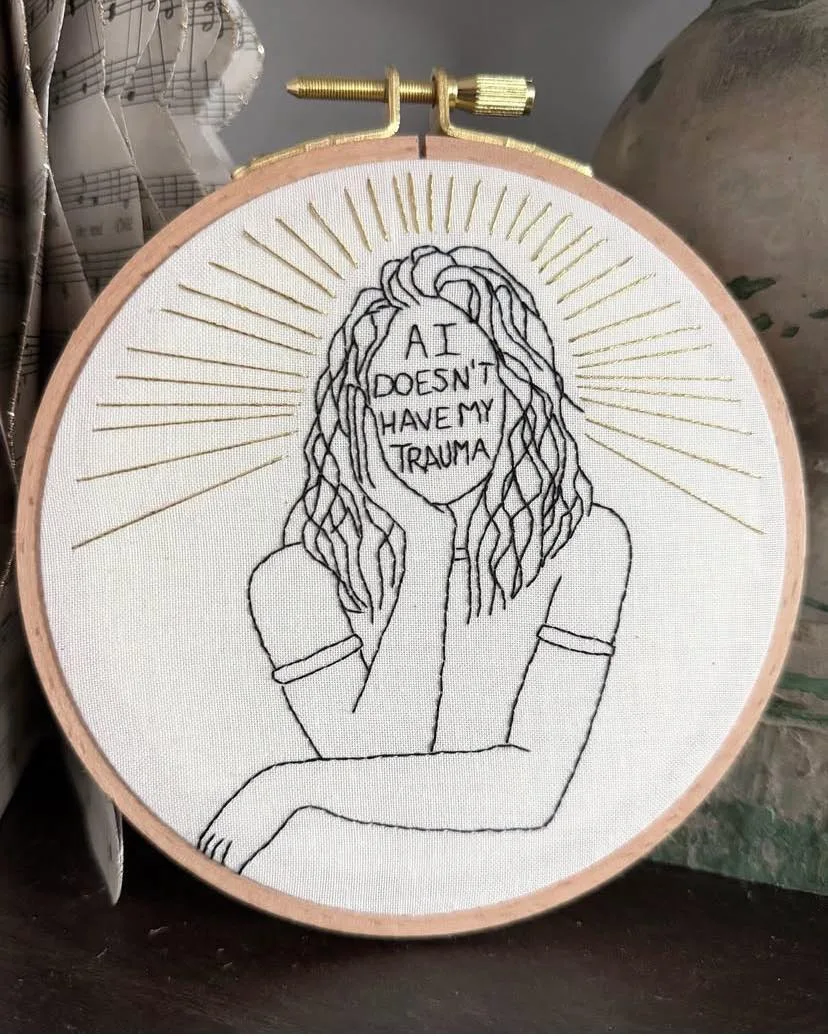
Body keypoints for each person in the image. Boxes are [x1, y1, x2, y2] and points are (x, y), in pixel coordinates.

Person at [198, 245, 631, 874]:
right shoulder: (295, 580)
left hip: (518, 882)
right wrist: (426, 544)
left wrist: (291, 785)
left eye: (466, 382)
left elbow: (530, 792)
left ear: (518, 397)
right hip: (334, 880)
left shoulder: (583, 544)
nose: (430, 418)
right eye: (396, 391)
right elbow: (374, 751)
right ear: (355, 416)